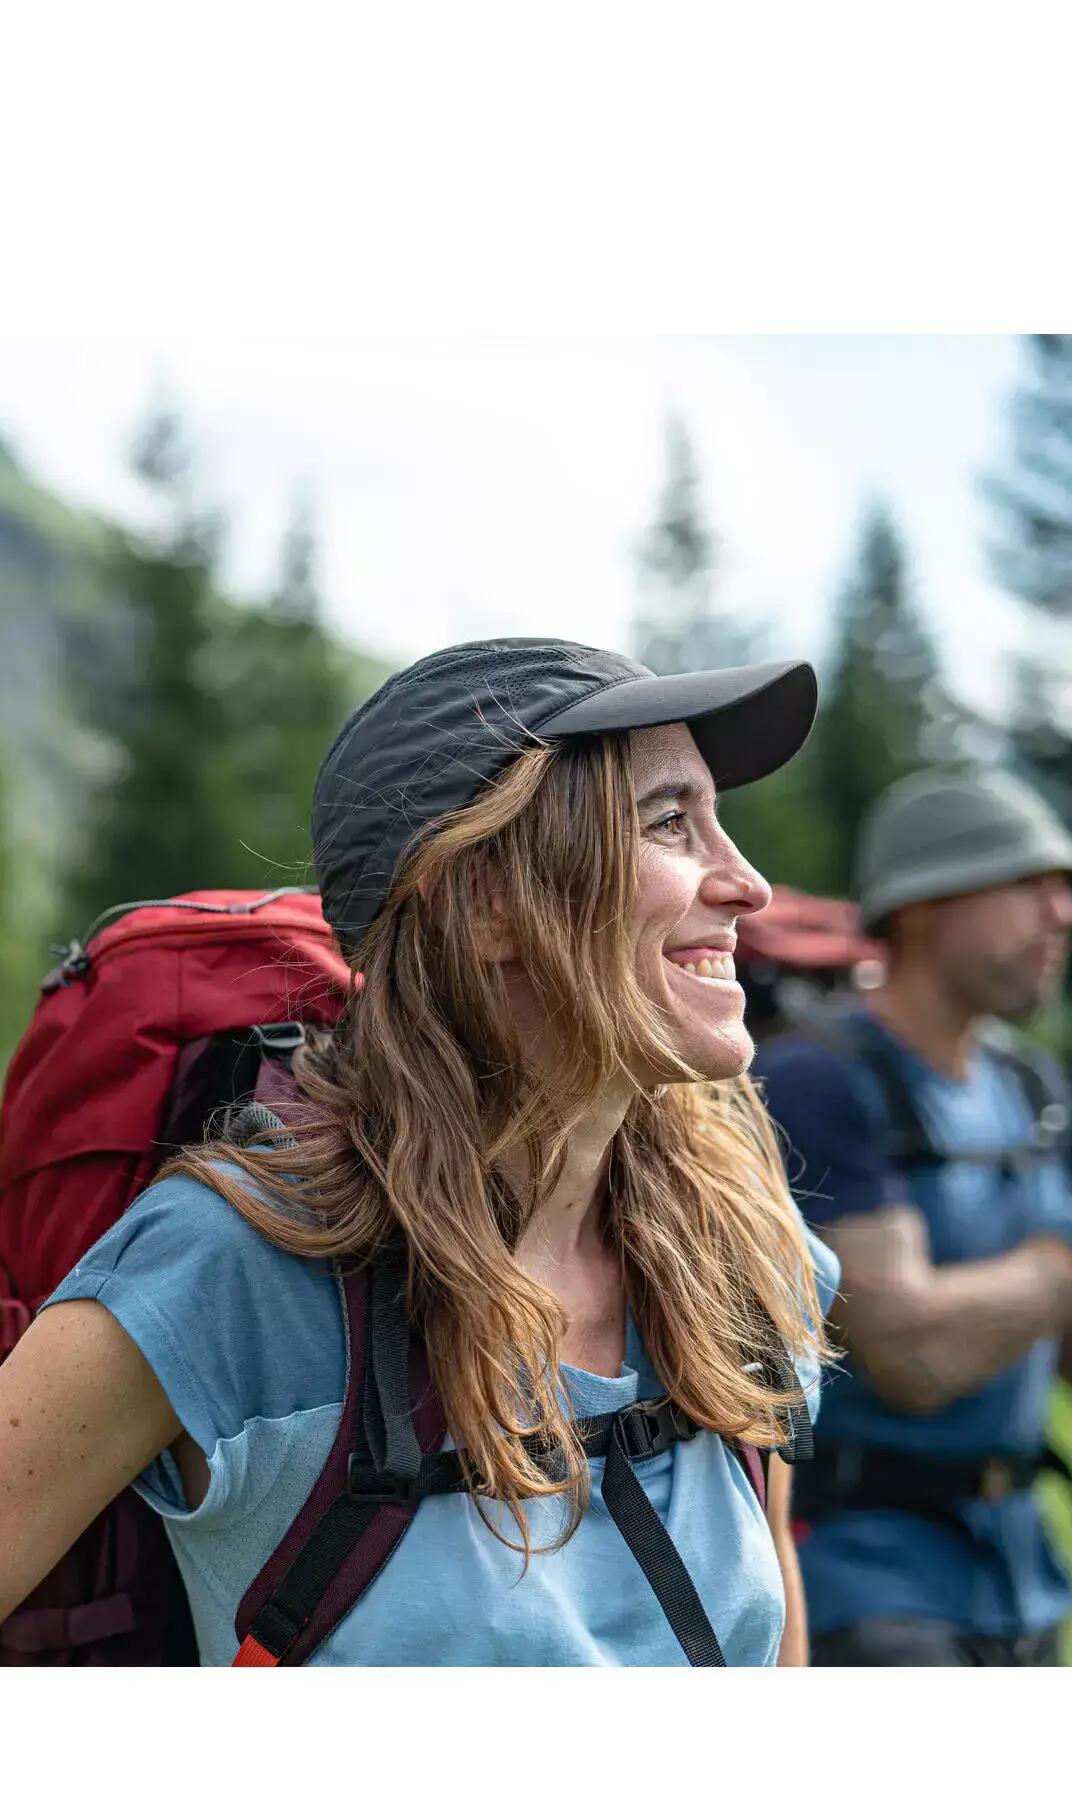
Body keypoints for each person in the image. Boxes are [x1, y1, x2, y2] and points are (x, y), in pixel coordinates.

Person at [0, 638, 837, 1667]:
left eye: (719, 821)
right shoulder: (229, 1271)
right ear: (485, 899)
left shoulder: (742, 1245)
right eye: (668, 821)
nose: (748, 883)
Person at [759, 766, 1072, 1667]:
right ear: (924, 903)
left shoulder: (1028, 1084)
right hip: (869, 1584)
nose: (1060, 914)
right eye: (1027, 884)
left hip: (1020, 1573)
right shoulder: (819, 1080)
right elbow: (915, 1358)